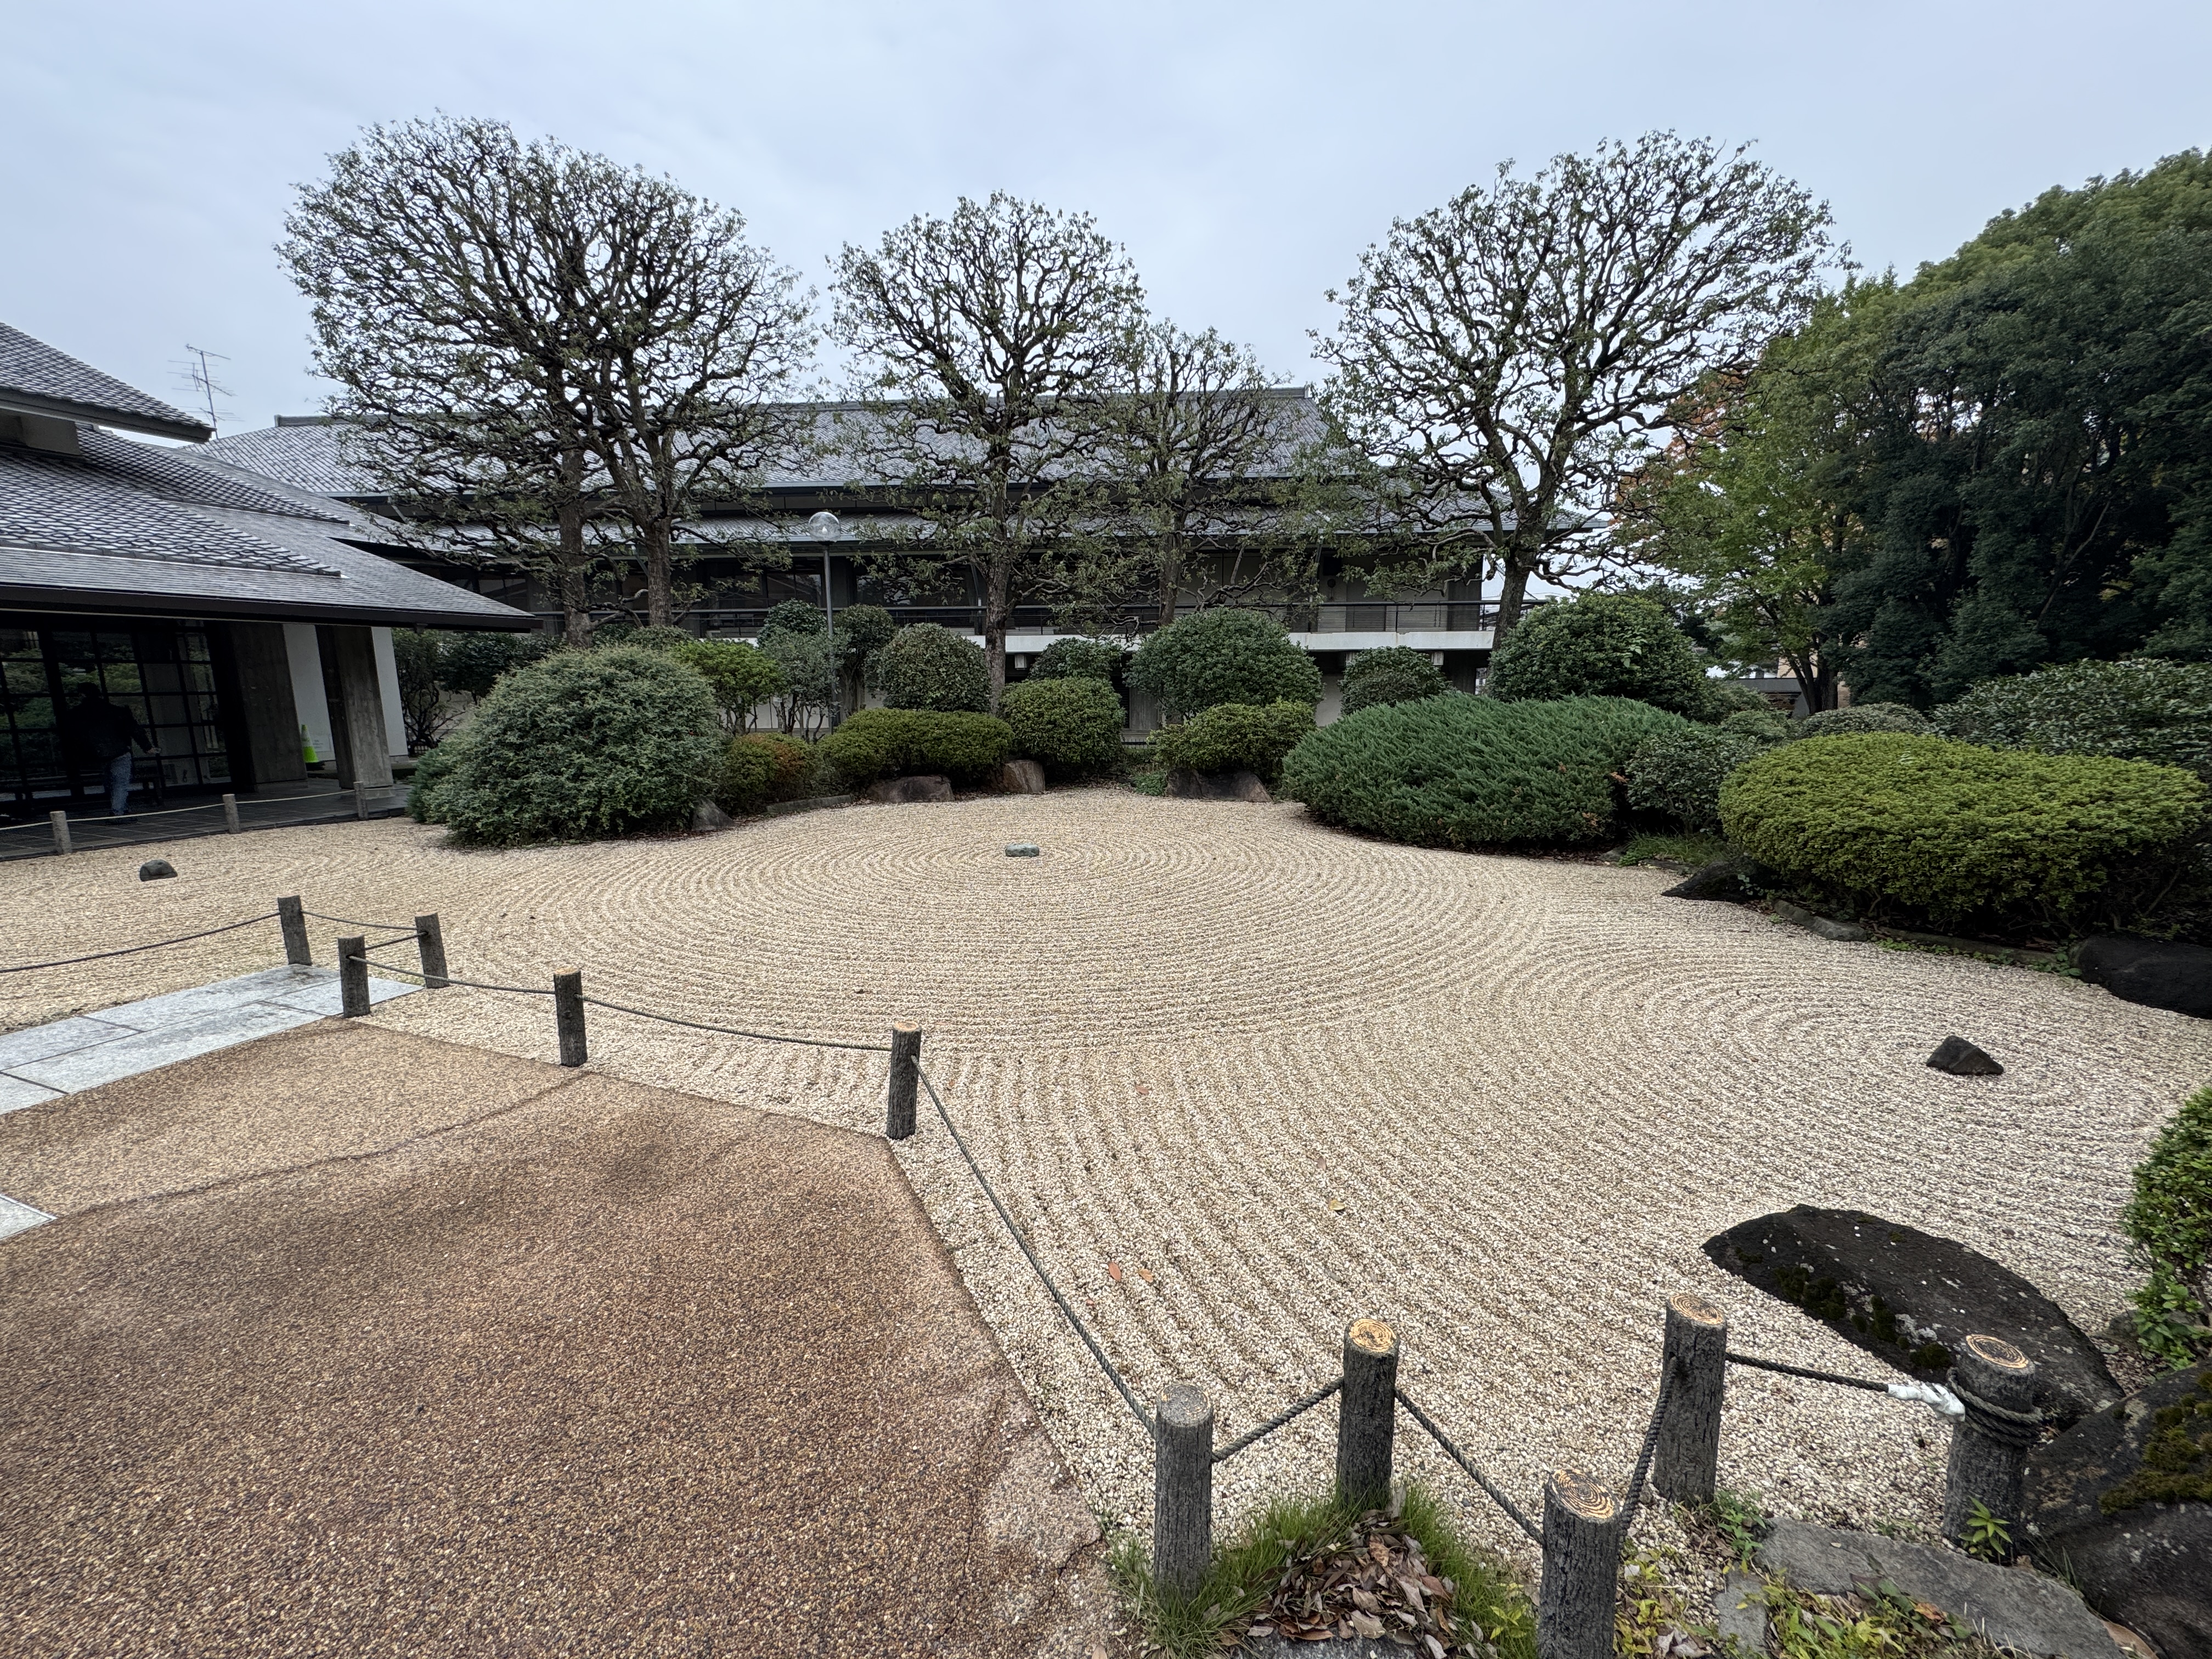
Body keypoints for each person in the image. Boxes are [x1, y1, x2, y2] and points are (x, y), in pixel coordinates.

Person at [63, 687, 151, 815]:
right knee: (120, 783)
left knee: (110, 783)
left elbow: (72, 737)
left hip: (98, 754)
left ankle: (122, 809)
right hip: (119, 751)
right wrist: (147, 747)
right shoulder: (115, 711)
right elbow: (135, 729)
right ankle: (118, 811)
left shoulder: (76, 715)